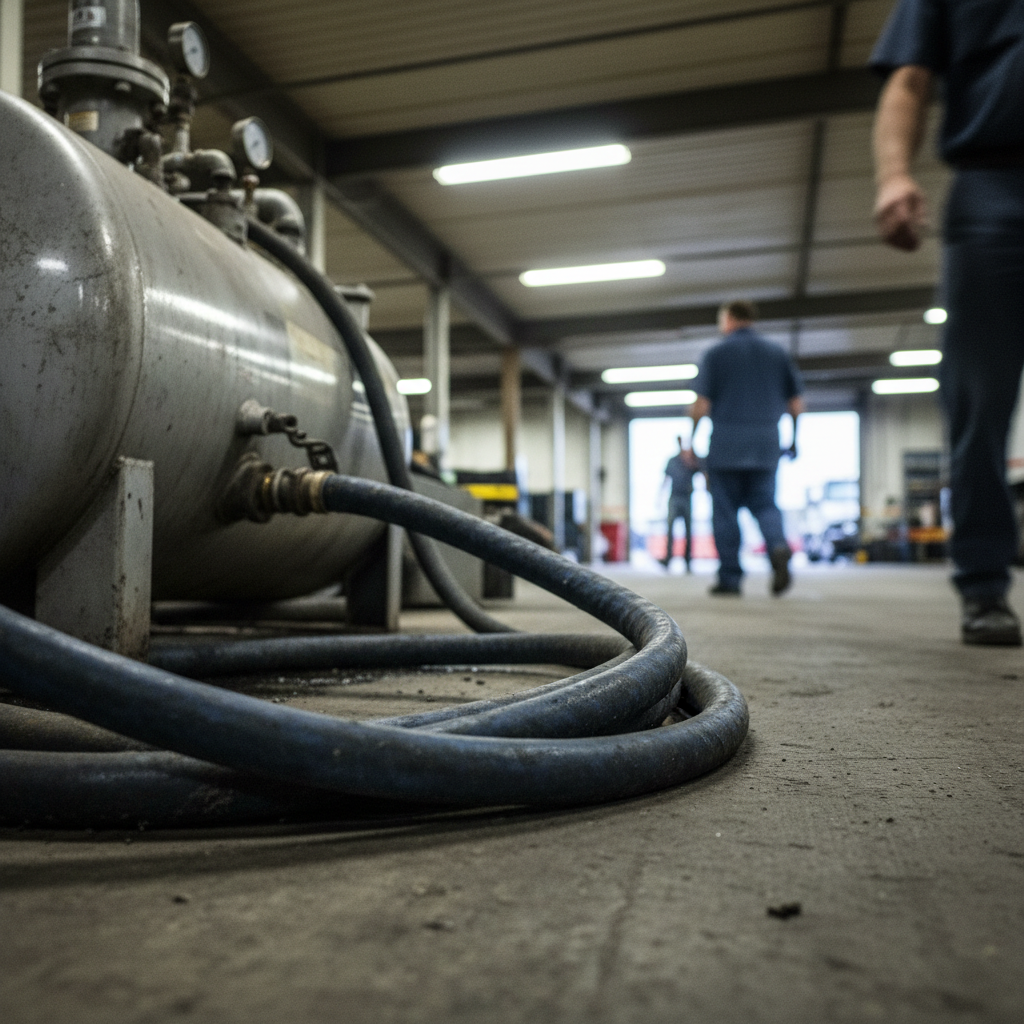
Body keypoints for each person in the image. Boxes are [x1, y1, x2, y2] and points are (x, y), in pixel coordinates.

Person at [871, 0, 1024, 646]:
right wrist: (893, 173)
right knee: (978, 399)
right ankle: (985, 583)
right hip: (993, 185)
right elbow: (908, 78)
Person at [688, 301, 804, 596]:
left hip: (726, 443)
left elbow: (701, 405)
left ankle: (730, 579)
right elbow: (796, 404)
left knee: (725, 512)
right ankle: (777, 547)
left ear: (728, 319)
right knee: (765, 504)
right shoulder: (777, 353)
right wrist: (794, 439)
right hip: (766, 442)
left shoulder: (715, 353)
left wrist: (691, 441)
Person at [660, 435, 701, 572]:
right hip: (674, 497)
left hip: (687, 498)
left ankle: (688, 561)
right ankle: (668, 559)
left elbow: (700, 470)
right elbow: (666, 479)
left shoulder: (690, 460)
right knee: (670, 530)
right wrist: (659, 497)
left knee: (688, 531)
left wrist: (691, 456)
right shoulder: (672, 461)